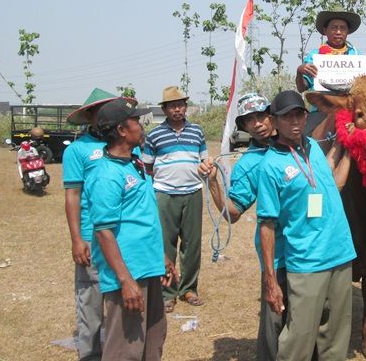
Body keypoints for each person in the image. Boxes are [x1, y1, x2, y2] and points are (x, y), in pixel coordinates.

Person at [257, 90, 356, 360]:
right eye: (286, 116)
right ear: (274, 122)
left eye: (299, 114)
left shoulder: (312, 147)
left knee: (335, 340)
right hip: (307, 261)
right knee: (298, 341)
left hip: (340, 254)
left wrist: (346, 146)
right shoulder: (271, 166)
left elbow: (333, 184)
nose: (295, 121)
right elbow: (267, 224)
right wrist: (269, 279)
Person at [85, 98, 177, 361]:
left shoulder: (135, 163)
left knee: (153, 339)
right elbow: (104, 232)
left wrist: (160, 257)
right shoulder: (105, 175)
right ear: (122, 130)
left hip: (147, 268)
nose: (141, 125)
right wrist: (125, 281)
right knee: (125, 349)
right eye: (136, 121)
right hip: (128, 274)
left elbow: (142, 217)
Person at [198, 93, 284, 360]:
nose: (257, 124)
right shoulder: (248, 164)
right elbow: (233, 212)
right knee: (276, 319)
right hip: (278, 251)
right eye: (249, 121)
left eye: (262, 116)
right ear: (244, 128)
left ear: (273, 115)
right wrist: (213, 182)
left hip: (314, 248)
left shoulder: (301, 145)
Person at [63, 88, 127, 361]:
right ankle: (89, 355)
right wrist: (77, 239)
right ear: (90, 116)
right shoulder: (78, 151)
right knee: (90, 302)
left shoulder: (124, 146)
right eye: (100, 112)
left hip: (121, 235)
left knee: (121, 299)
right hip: (92, 235)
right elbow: (73, 195)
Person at [142, 86, 208, 313]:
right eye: (172, 106)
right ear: (165, 109)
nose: (177, 109)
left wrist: (206, 167)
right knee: (165, 244)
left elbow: (204, 160)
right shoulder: (154, 135)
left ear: (185, 107)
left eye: (181, 105)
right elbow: (147, 166)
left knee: (192, 244)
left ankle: (189, 289)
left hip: (192, 192)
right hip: (165, 193)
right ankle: (167, 292)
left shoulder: (197, 132)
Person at [295, 9, 366, 93]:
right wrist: (299, 71)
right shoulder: (314, 55)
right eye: (334, 28)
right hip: (323, 108)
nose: (338, 32)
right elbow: (301, 88)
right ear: (325, 30)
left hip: (351, 107)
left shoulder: (355, 55)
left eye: (343, 28)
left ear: (347, 32)